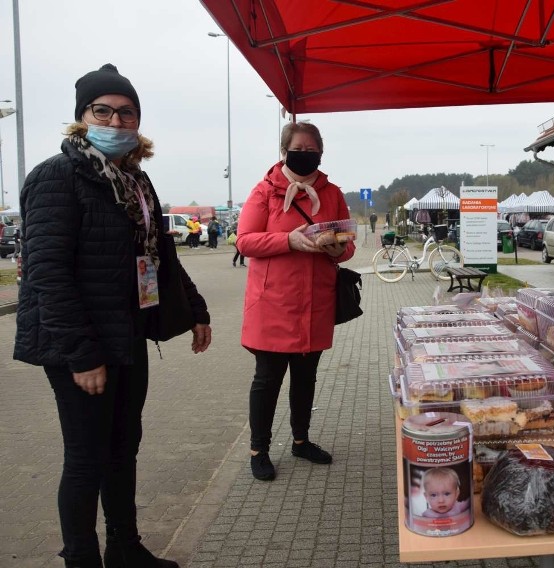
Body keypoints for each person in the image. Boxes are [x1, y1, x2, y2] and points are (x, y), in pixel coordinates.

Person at [13, 64, 212, 568]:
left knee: (124, 449)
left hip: (128, 337)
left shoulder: (135, 180)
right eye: (103, 111)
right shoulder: (56, 176)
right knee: (86, 459)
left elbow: (160, 255)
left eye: (127, 113)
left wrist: (197, 310)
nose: (116, 121)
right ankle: (82, 558)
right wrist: (82, 355)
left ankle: (125, 547)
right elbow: (47, 276)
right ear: (82, 117)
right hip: (80, 347)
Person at [238, 121, 355, 480]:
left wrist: (338, 248)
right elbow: (244, 241)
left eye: (311, 149)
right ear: (284, 150)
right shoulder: (265, 192)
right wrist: (287, 241)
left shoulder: (332, 192)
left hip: (315, 302)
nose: (305, 155)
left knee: (306, 377)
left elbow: (347, 246)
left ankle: (300, 441)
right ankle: (259, 449)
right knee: (268, 379)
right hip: (273, 303)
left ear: (321, 151)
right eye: (298, 149)